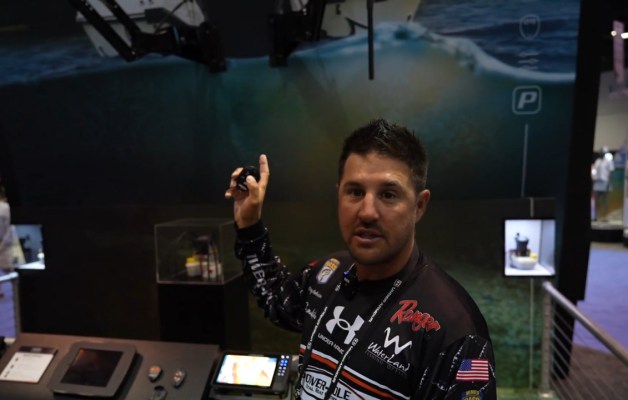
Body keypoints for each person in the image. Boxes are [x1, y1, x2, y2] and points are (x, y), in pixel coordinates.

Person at [225, 118, 496, 400]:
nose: (367, 212)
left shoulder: (455, 330)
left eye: (388, 194)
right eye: (355, 192)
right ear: (339, 195)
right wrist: (249, 226)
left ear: (419, 205)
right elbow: (276, 298)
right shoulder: (327, 274)